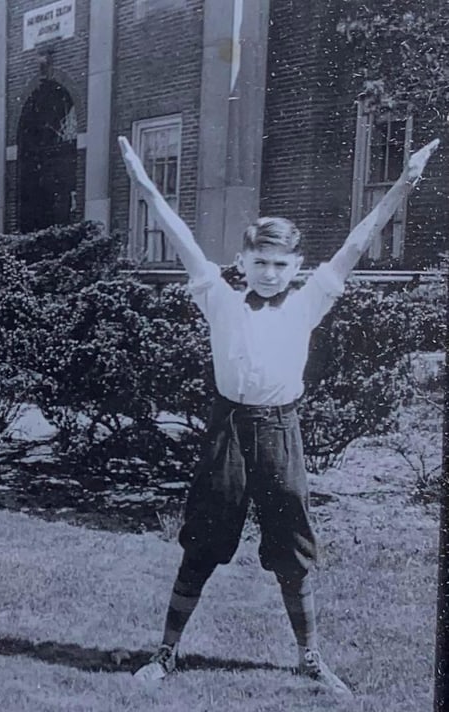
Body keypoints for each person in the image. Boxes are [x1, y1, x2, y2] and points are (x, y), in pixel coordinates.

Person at [119, 134, 440, 696]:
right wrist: (143, 182)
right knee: (203, 544)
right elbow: (178, 232)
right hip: (227, 431)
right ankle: (165, 653)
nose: (269, 273)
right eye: (259, 262)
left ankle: (309, 658)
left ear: (297, 266)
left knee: (292, 549)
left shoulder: (311, 296)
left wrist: (405, 182)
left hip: (280, 431)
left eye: (280, 264)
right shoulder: (217, 295)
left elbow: (361, 237)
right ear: (242, 261)